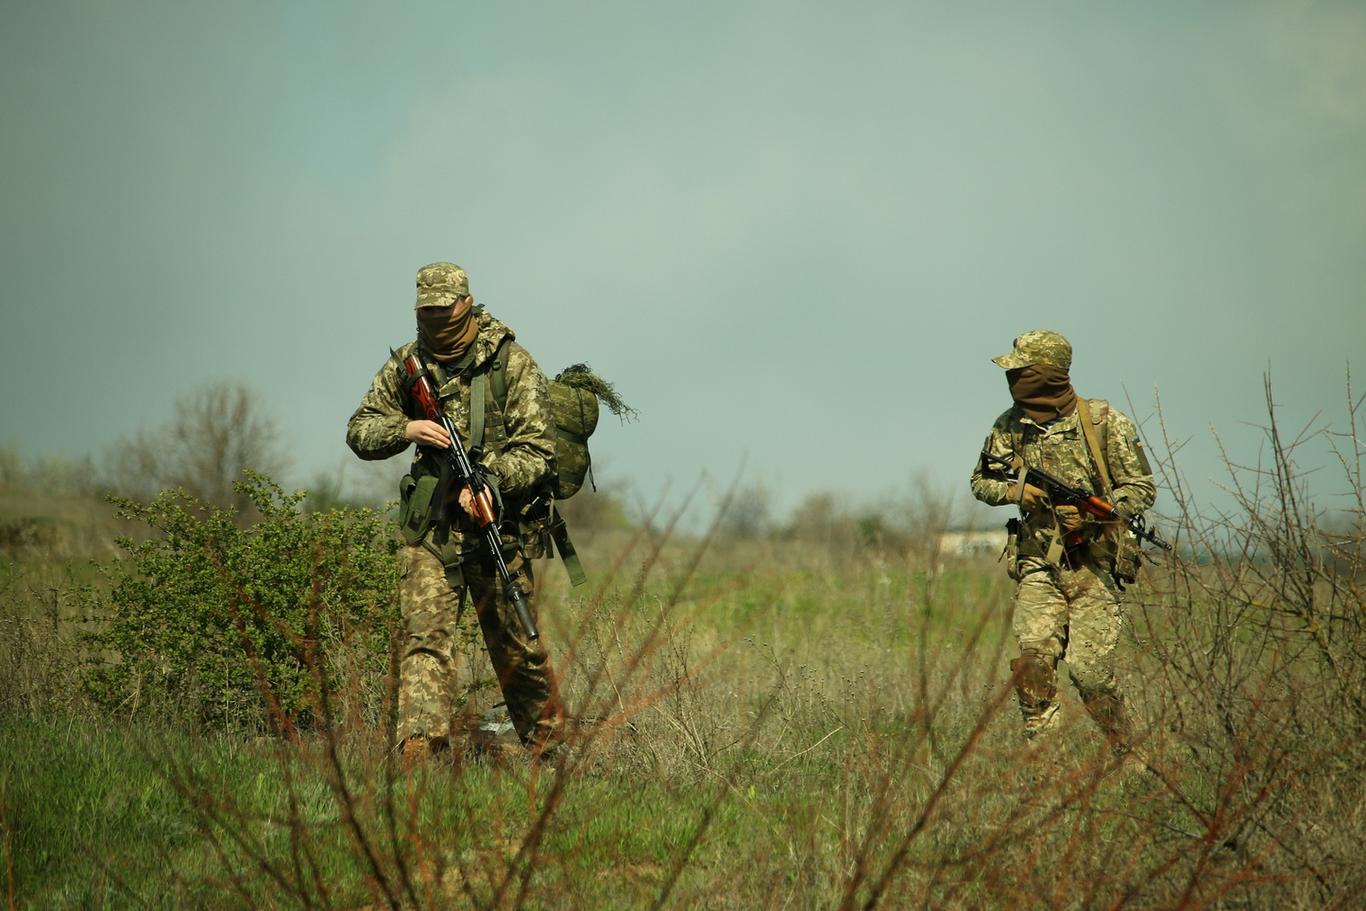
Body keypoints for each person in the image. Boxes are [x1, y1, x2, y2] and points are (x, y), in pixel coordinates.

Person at [346, 262, 563, 763]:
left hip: (497, 526)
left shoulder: (511, 363)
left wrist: (492, 482)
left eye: (445, 309)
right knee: (424, 639)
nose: (438, 319)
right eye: (428, 311)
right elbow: (359, 429)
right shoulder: (408, 364)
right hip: (434, 529)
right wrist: (405, 429)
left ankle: (550, 753)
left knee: (519, 646)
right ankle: (419, 753)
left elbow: (539, 450)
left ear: (466, 303)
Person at [970, 330, 1155, 757]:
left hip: (1094, 565)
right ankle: (1045, 763)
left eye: (1022, 371)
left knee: (1090, 674)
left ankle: (1131, 754)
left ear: (1047, 374)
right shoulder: (1009, 425)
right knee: (1032, 666)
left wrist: (1093, 513)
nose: (1013, 379)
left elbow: (1141, 488)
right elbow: (981, 481)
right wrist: (1017, 493)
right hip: (1038, 561)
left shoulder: (1105, 422)